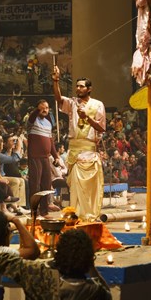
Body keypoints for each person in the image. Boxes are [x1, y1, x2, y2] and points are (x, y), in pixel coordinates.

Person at [0, 216, 112, 300]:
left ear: (59, 253)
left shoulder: (38, 274)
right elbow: (108, 294)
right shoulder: (94, 293)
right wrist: (91, 268)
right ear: (89, 259)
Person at [53, 66, 106, 220]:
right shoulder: (73, 103)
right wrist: (56, 81)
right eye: (77, 86)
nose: (78, 88)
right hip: (74, 150)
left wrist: (86, 117)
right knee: (75, 186)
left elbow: (101, 127)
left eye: (82, 86)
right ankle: (75, 214)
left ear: (89, 89)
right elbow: (58, 99)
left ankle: (88, 215)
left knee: (88, 188)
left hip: (89, 150)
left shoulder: (98, 105)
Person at [27, 99, 61, 216]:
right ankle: (34, 211)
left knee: (46, 184)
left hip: (45, 158)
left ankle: (44, 211)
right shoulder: (32, 120)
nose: (44, 110)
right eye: (42, 108)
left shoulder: (48, 123)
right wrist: (37, 110)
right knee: (35, 185)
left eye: (46, 108)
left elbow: (51, 142)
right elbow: (32, 116)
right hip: (35, 157)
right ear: (37, 109)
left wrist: (56, 156)